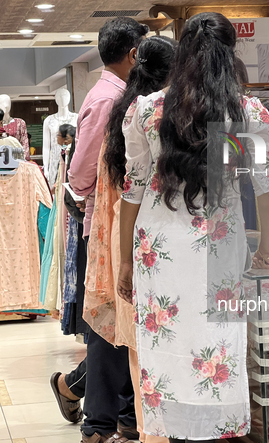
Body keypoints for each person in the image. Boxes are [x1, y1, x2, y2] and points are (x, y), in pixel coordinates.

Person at [117, 12, 269, 442]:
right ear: (231, 52)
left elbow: (131, 192)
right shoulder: (248, 112)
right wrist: (265, 249)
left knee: (167, 345)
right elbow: (268, 190)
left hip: (159, 247)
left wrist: (124, 263)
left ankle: (175, 432)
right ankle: (217, 431)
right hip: (220, 250)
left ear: (181, 52)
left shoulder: (147, 110)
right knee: (218, 345)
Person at [55, 16, 149, 443]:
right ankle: (99, 420)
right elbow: (80, 172)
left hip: (124, 223)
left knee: (120, 320)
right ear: (133, 54)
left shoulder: (125, 95)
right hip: (108, 225)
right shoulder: (108, 98)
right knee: (108, 320)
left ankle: (104, 407)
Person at [90, 34, 177, 443]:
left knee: (140, 345)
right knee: (160, 342)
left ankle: (142, 428)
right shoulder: (162, 115)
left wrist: (117, 253)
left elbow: (115, 191)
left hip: (125, 236)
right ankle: (146, 428)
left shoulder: (124, 115)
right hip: (154, 238)